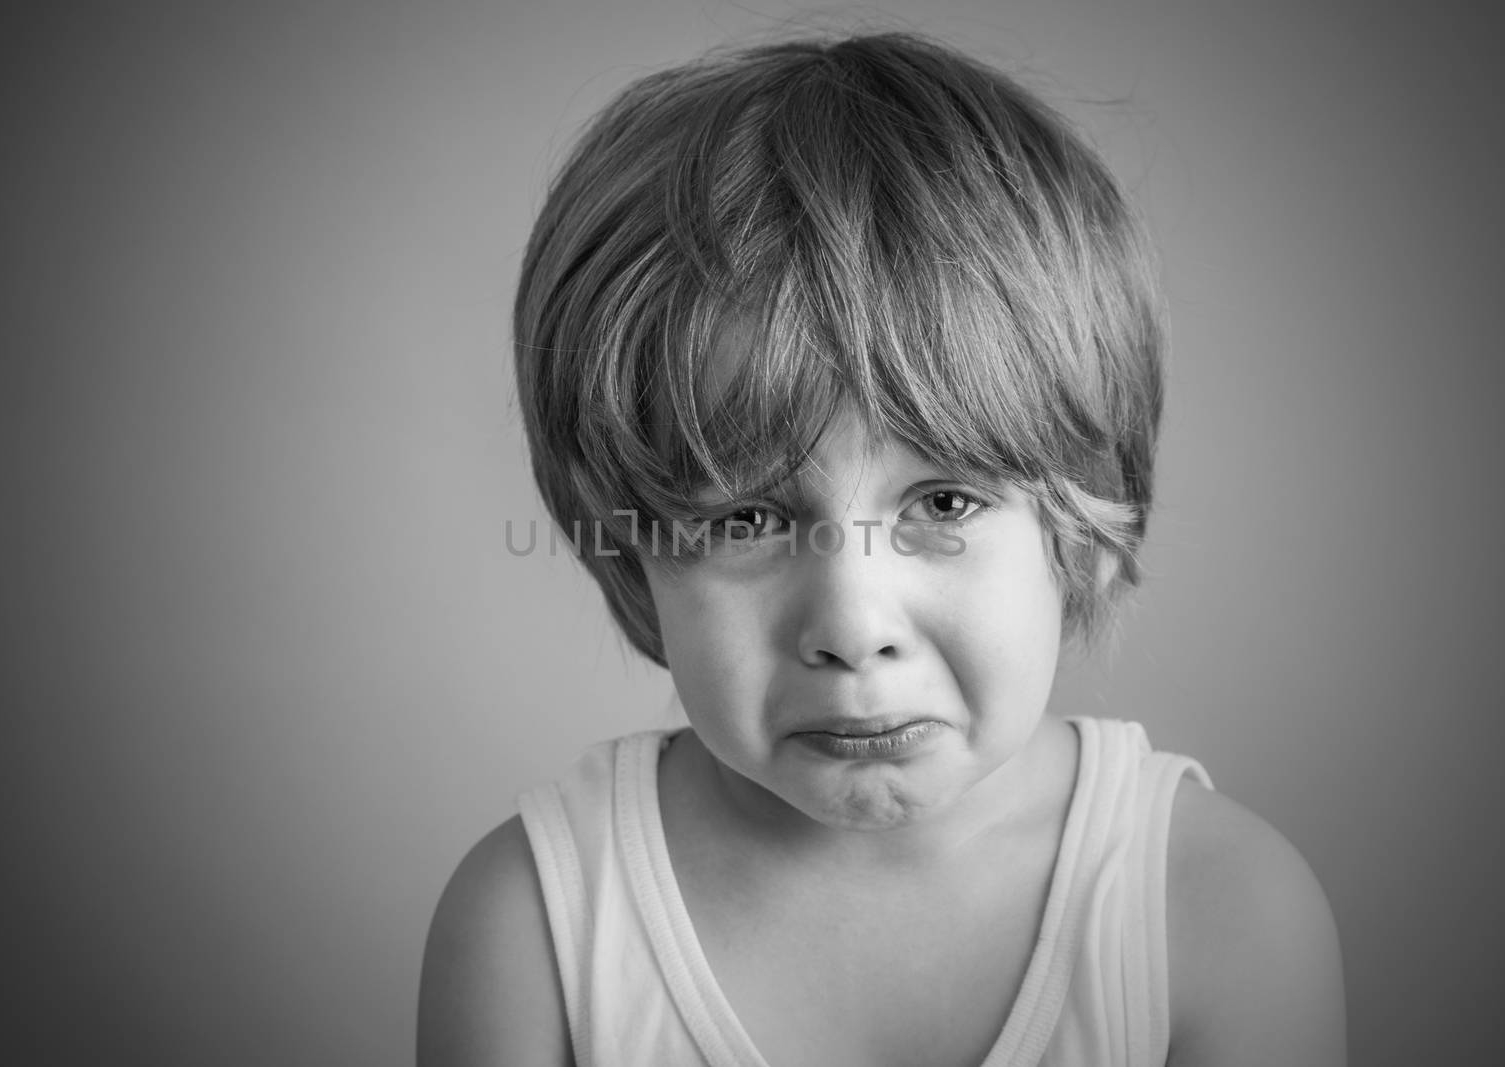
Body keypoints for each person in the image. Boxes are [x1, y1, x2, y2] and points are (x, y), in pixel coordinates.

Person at [419, 31, 1345, 1067]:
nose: (852, 628)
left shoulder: (1216, 918)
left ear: (1081, 524)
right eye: (746, 519)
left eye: (943, 499)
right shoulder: (534, 930)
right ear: (630, 553)